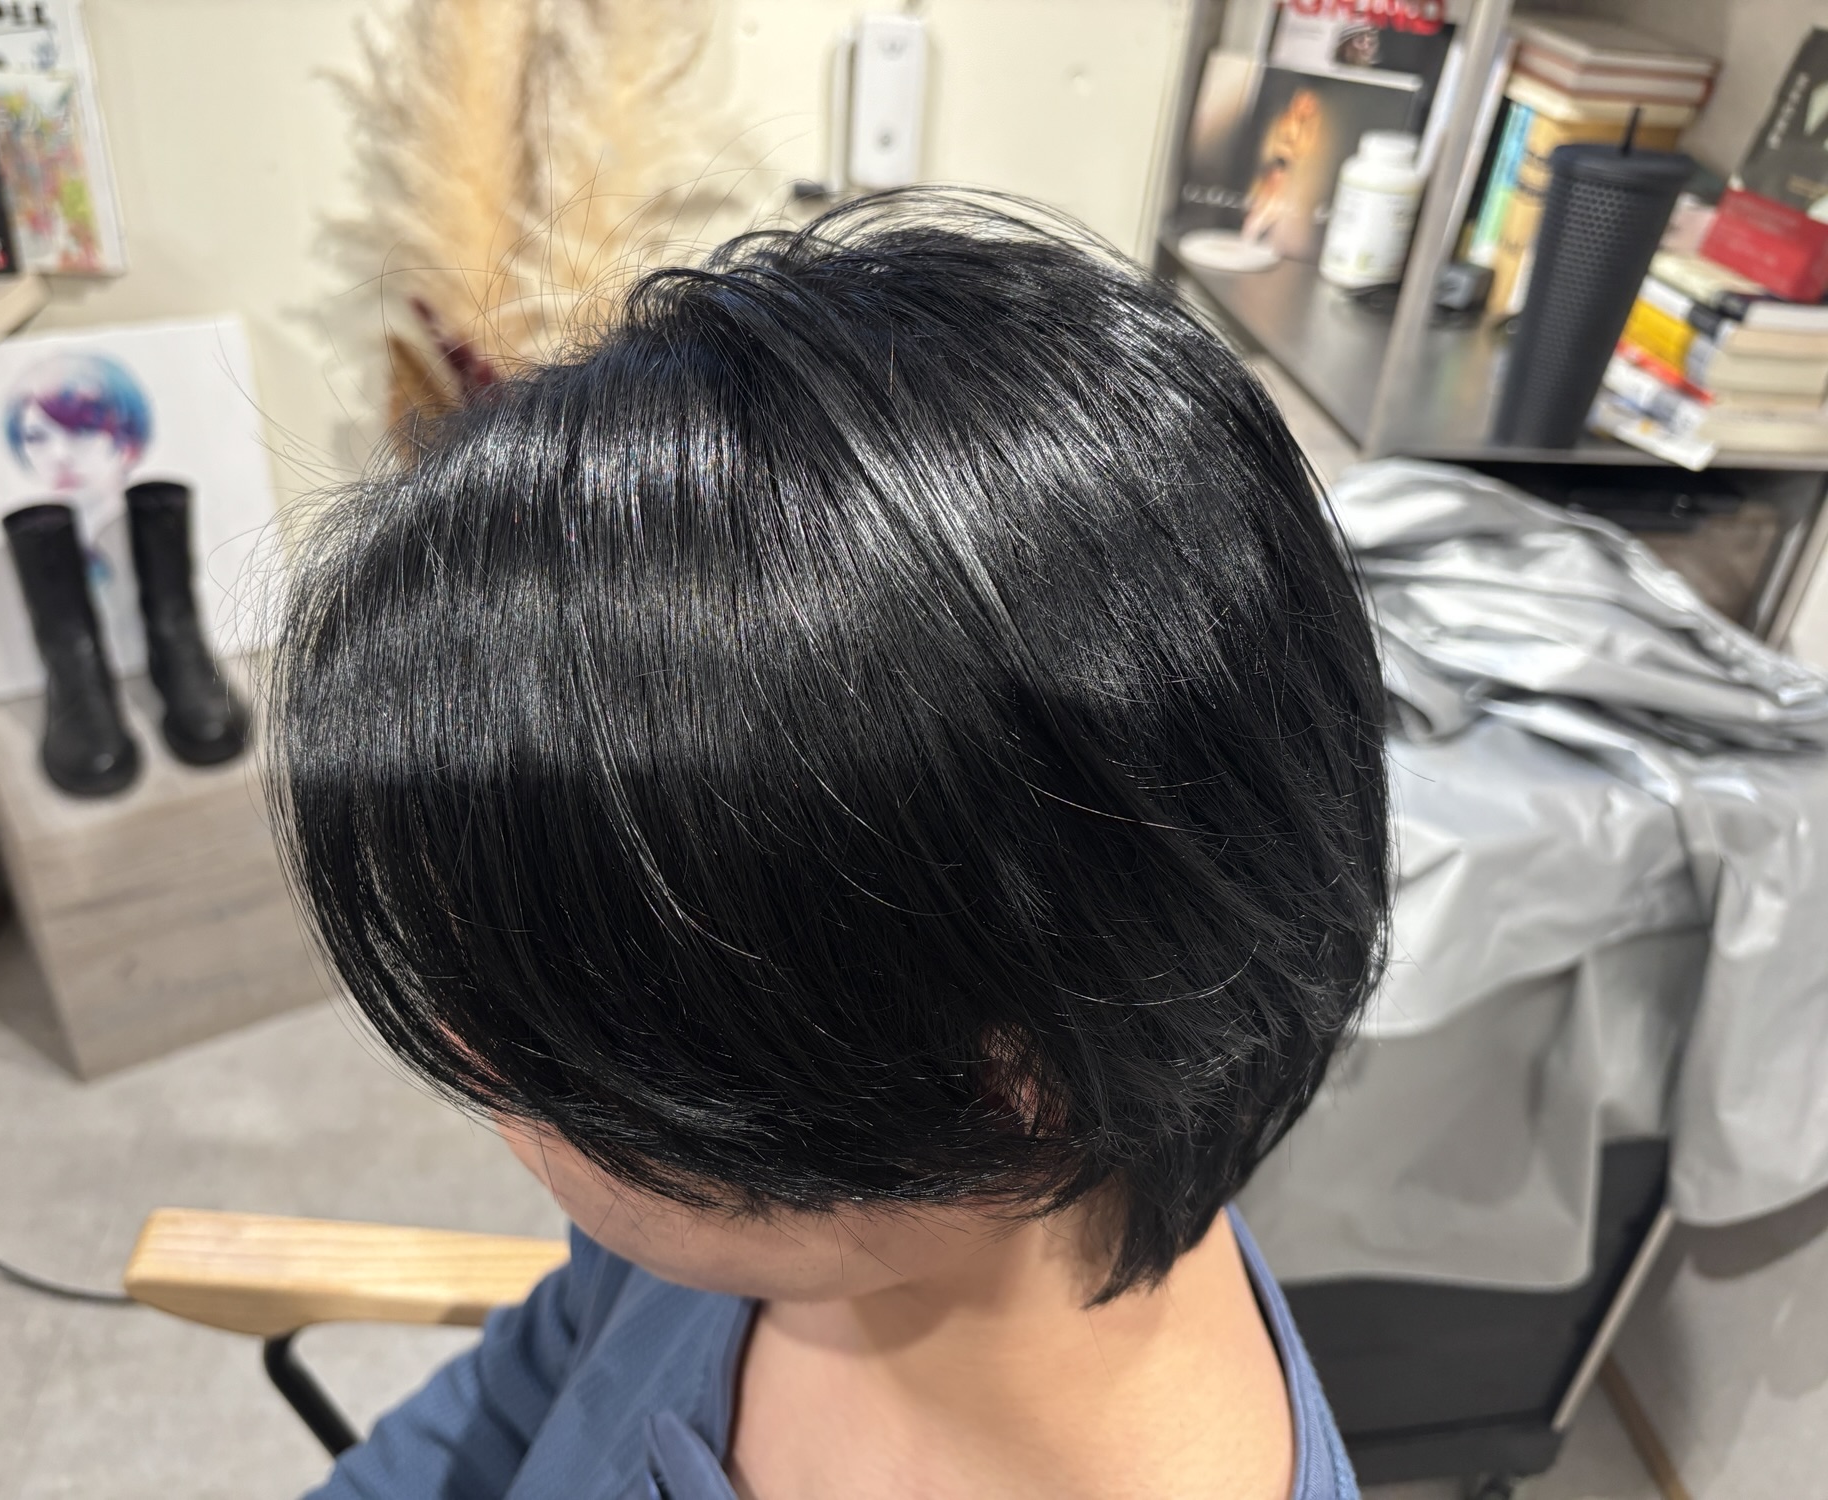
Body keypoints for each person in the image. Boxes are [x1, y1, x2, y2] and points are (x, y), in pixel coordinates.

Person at [270, 191, 1390, 1500]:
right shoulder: (771, 1215)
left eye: (553, 1049)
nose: (461, 1048)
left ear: (1001, 1084)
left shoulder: (794, 1187)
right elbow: (531, 1384)